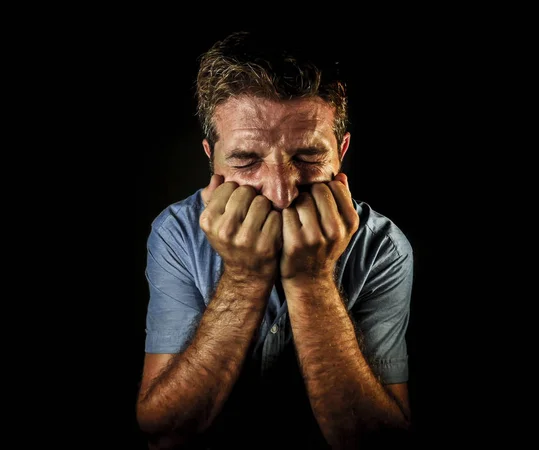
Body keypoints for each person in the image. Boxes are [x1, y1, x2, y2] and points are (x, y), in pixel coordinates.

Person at [136, 30, 415, 449]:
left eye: (307, 157)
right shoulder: (176, 232)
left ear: (341, 150)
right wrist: (246, 277)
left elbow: (376, 441)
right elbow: (165, 431)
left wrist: (312, 279)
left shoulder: (384, 247)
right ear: (211, 157)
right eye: (246, 161)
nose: (281, 192)